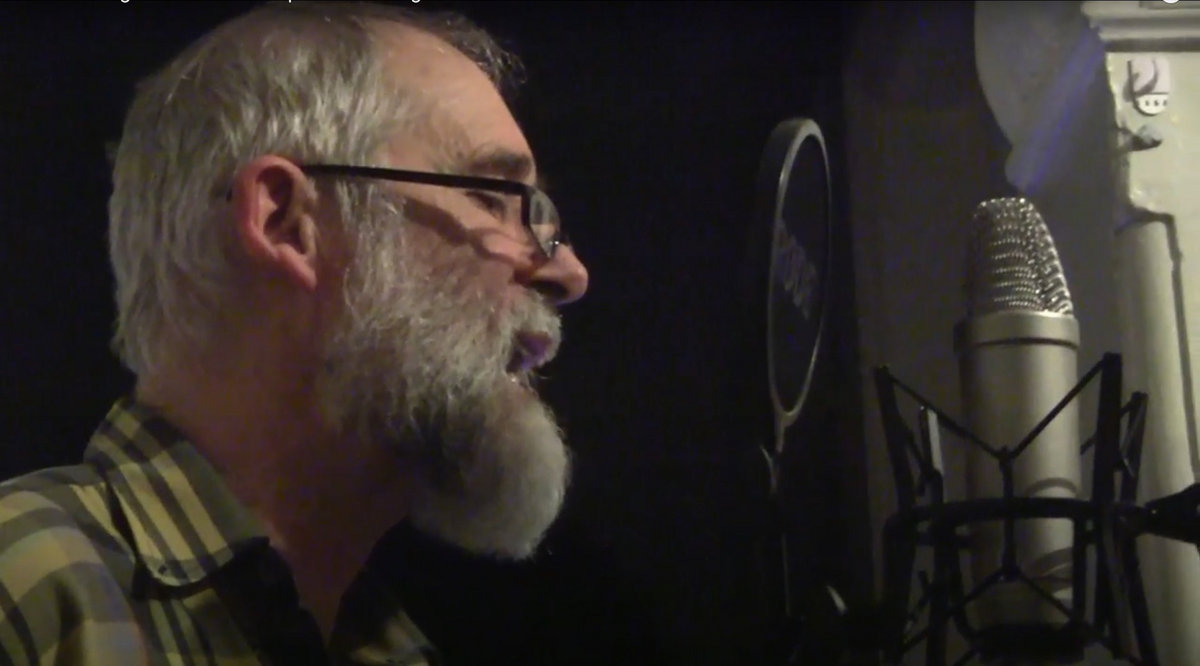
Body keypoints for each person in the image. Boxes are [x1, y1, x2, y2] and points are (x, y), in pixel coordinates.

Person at [0, 2, 589, 664]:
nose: (568, 272)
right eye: (495, 199)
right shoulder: (24, 597)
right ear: (286, 222)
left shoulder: (389, 646)